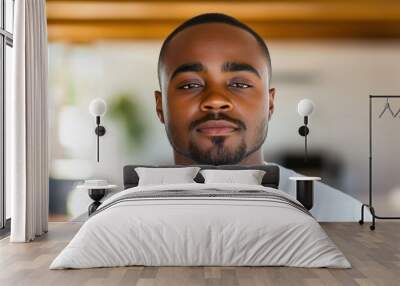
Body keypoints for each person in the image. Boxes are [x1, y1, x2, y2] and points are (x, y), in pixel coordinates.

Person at [154, 13, 369, 221]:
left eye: (240, 84)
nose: (216, 100)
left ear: (270, 103)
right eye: (190, 85)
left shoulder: (345, 215)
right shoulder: (123, 221)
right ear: (160, 106)